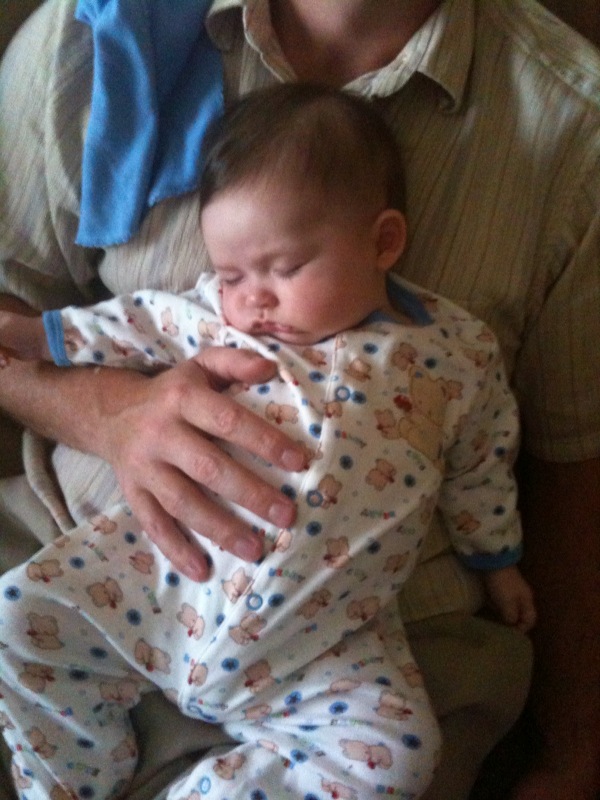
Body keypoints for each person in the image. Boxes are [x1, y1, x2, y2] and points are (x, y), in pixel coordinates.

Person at [0, 2, 597, 799]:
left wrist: (501, 565)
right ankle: (71, 782)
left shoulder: (455, 351)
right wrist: (56, 355)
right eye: (232, 274)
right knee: (19, 616)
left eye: (282, 269)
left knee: (395, 753)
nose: (252, 298)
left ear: (384, 242)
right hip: (148, 581)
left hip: (334, 636)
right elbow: (129, 322)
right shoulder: (216, 312)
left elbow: (490, 463)